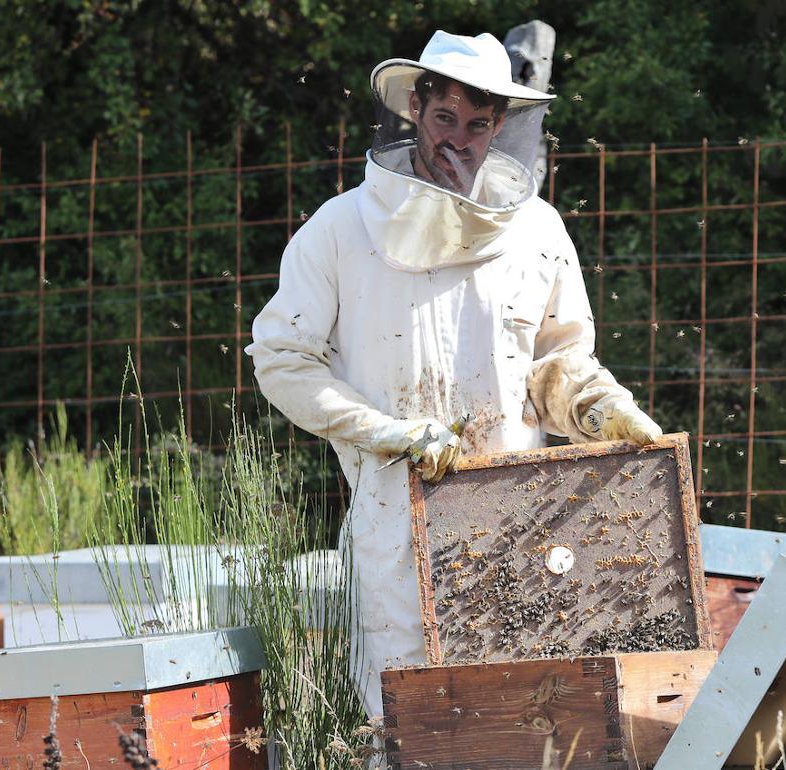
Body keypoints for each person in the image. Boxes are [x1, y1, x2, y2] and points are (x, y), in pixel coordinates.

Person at [245, 30, 664, 718]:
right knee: (407, 730)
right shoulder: (340, 229)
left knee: (522, 730)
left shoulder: (539, 231)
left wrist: (599, 408)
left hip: (522, 526)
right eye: (445, 119)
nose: (459, 142)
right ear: (415, 108)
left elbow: (559, 364)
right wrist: (385, 432)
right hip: (395, 527)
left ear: (499, 126)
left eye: (478, 125)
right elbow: (281, 358)